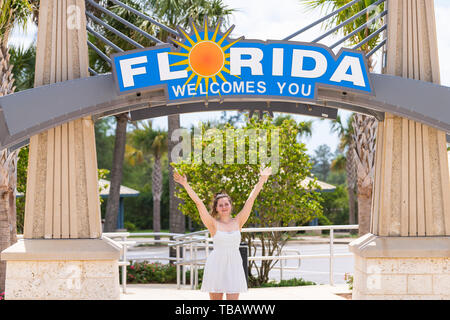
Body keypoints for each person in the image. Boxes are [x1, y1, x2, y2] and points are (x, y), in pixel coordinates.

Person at [173, 166, 272, 300]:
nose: (224, 207)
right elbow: (198, 203)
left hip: (235, 264)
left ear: (231, 206)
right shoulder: (213, 224)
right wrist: (185, 184)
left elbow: (251, 199)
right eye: (221, 205)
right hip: (216, 264)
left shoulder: (238, 221)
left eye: (226, 204)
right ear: (216, 208)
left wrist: (262, 179)